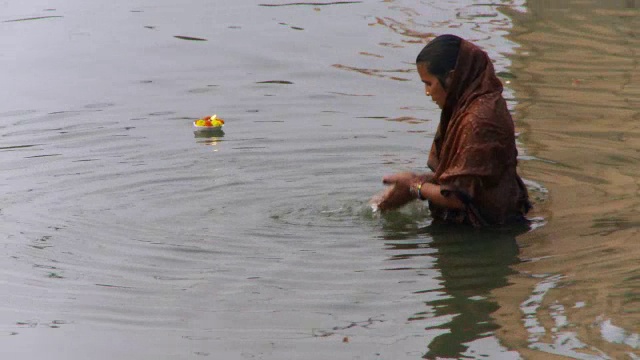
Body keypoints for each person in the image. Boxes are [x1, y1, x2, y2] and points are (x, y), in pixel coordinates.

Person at [372, 34, 531, 227]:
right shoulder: (472, 104)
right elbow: (466, 180)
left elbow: (458, 198)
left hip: (488, 231)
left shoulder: (478, 119)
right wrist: (415, 183)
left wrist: (415, 187)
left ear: (452, 77)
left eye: (429, 84)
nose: (427, 93)